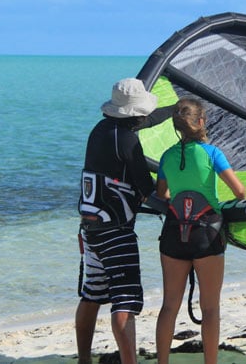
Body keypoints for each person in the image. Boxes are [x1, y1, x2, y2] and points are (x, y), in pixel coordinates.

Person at [155, 97, 246, 364]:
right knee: (209, 308)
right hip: (207, 235)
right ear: (201, 122)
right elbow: (240, 191)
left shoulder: (167, 156)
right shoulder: (213, 153)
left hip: (174, 233)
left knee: (169, 306)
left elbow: (163, 194)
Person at [75, 78, 158, 364]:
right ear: (137, 113)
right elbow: (148, 190)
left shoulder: (99, 131)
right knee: (125, 299)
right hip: (116, 231)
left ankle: (84, 359)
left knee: (92, 294)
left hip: (90, 226)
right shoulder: (127, 139)